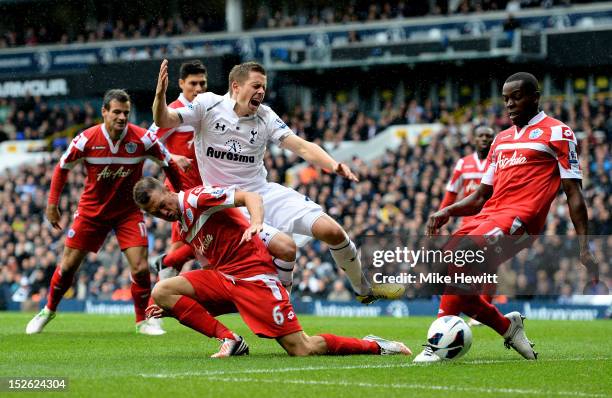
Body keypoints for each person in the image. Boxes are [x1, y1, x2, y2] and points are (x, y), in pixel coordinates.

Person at [152, 59, 403, 304]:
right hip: (228, 206)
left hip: (262, 191)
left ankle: (364, 289)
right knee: (286, 248)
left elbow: (302, 147)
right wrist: (160, 97)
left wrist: (333, 165)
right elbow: (165, 120)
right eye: (256, 85)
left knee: (333, 231)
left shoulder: (265, 116)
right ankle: (282, 307)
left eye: (264, 86)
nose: (261, 91)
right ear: (236, 87)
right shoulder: (207, 105)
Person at [414, 72, 599, 362]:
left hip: (521, 221)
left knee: (462, 256)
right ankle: (507, 327)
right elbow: (479, 197)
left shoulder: (558, 133)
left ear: (535, 97)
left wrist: (584, 245)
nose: (510, 104)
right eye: (505, 99)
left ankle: (435, 345)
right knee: (450, 263)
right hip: (489, 215)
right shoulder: (500, 140)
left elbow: (574, 193)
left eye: (516, 97)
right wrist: (448, 210)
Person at [133, 177, 411, 358]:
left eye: (163, 205)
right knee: (163, 291)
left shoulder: (197, 198)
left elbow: (250, 197)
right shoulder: (182, 223)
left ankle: (376, 345)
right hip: (224, 278)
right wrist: (174, 308)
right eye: (156, 213)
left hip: (254, 277)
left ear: (168, 191)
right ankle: (231, 340)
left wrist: (255, 222)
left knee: (302, 349)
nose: (164, 212)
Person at [26, 89, 185, 336]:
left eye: (126, 113)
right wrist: (52, 204)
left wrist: (179, 197)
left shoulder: (143, 140)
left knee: (141, 268)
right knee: (68, 267)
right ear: (104, 112)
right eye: (116, 112)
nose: (122, 117)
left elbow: (169, 164)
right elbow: (61, 168)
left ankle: (143, 321)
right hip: (91, 212)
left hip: (128, 213)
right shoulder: (86, 140)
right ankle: (47, 310)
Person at [148, 60, 297, 285]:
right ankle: (168, 283)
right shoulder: (176, 110)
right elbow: (147, 141)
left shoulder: (211, 108)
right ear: (180, 84)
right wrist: (171, 157)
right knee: (196, 243)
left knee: (194, 245)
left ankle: (168, 270)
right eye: (193, 84)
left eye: (203, 83)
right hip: (183, 191)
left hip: (209, 187)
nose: (198, 89)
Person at [439, 125, 496, 326]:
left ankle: (483, 310)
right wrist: (441, 215)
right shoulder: (463, 164)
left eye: (489, 136)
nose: (485, 139)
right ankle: (460, 304)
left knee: (489, 264)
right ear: (474, 139)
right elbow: (451, 193)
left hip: (491, 220)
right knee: (457, 262)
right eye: (481, 135)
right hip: (467, 222)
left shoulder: (499, 162)